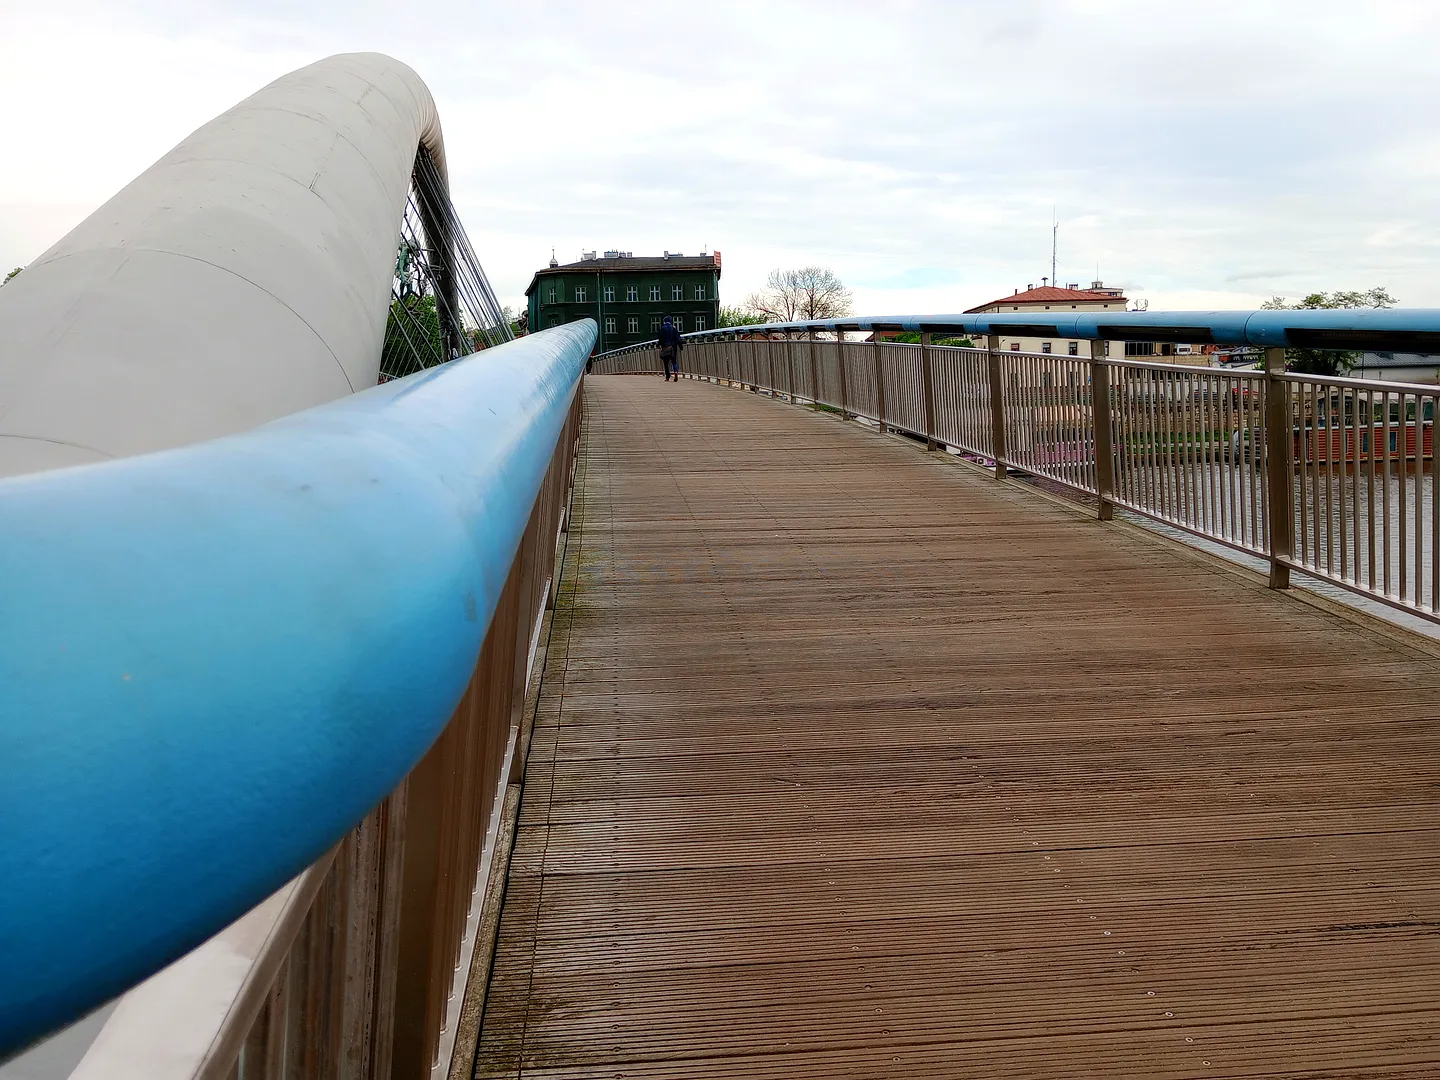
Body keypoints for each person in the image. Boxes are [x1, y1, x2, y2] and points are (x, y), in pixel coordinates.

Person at [658, 315, 682, 381]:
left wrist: (660, 345)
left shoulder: (662, 328)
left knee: (666, 363)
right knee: (674, 361)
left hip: (665, 347)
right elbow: (678, 338)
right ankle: (676, 372)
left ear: (664, 321)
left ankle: (667, 377)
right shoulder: (674, 328)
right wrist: (680, 346)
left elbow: (660, 338)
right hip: (673, 347)